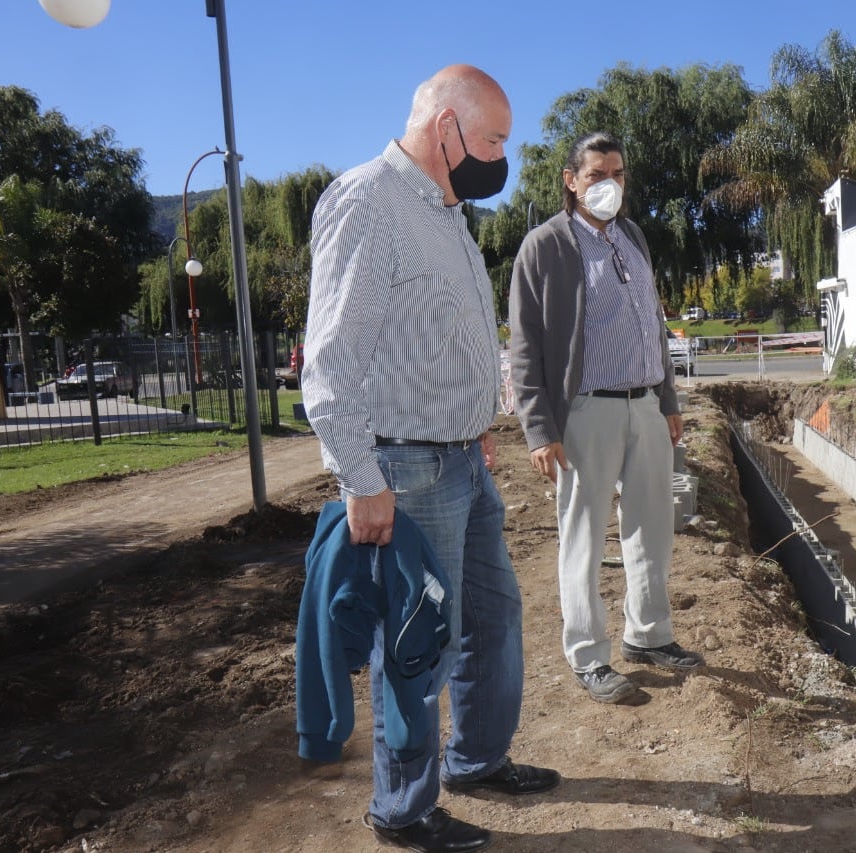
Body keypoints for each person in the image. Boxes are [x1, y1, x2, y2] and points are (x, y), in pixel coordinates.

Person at [301, 64, 559, 853]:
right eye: (492, 139)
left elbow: (440, 336)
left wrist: (478, 415)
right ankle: (403, 809)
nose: (500, 158)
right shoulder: (368, 202)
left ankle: (476, 758)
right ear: (445, 127)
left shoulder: (446, 211)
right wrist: (361, 478)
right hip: (404, 471)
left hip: (464, 459)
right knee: (418, 644)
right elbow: (330, 362)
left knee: (491, 615)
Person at [508, 131, 705, 706]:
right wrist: (539, 430)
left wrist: (667, 400)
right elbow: (525, 347)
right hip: (586, 412)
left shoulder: (633, 237)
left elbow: (654, 324)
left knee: (652, 528)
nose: (608, 185)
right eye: (596, 175)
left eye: (617, 174)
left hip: (644, 406)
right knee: (584, 538)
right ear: (571, 180)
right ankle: (589, 657)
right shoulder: (545, 246)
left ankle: (648, 636)